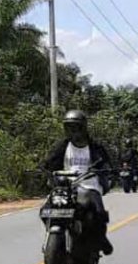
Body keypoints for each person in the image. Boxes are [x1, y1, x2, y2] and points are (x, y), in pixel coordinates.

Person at [41, 109, 114, 255]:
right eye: (69, 127)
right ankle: (57, 235)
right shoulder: (62, 146)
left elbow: (106, 164)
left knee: (98, 213)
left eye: (76, 126)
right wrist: (45, 170)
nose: (72, 130)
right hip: (65, 184)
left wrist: (106, 171)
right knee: (45, 210)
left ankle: (101, 238)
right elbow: (49, 163)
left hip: (90, 184)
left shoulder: (95, 147)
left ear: (83, 127)